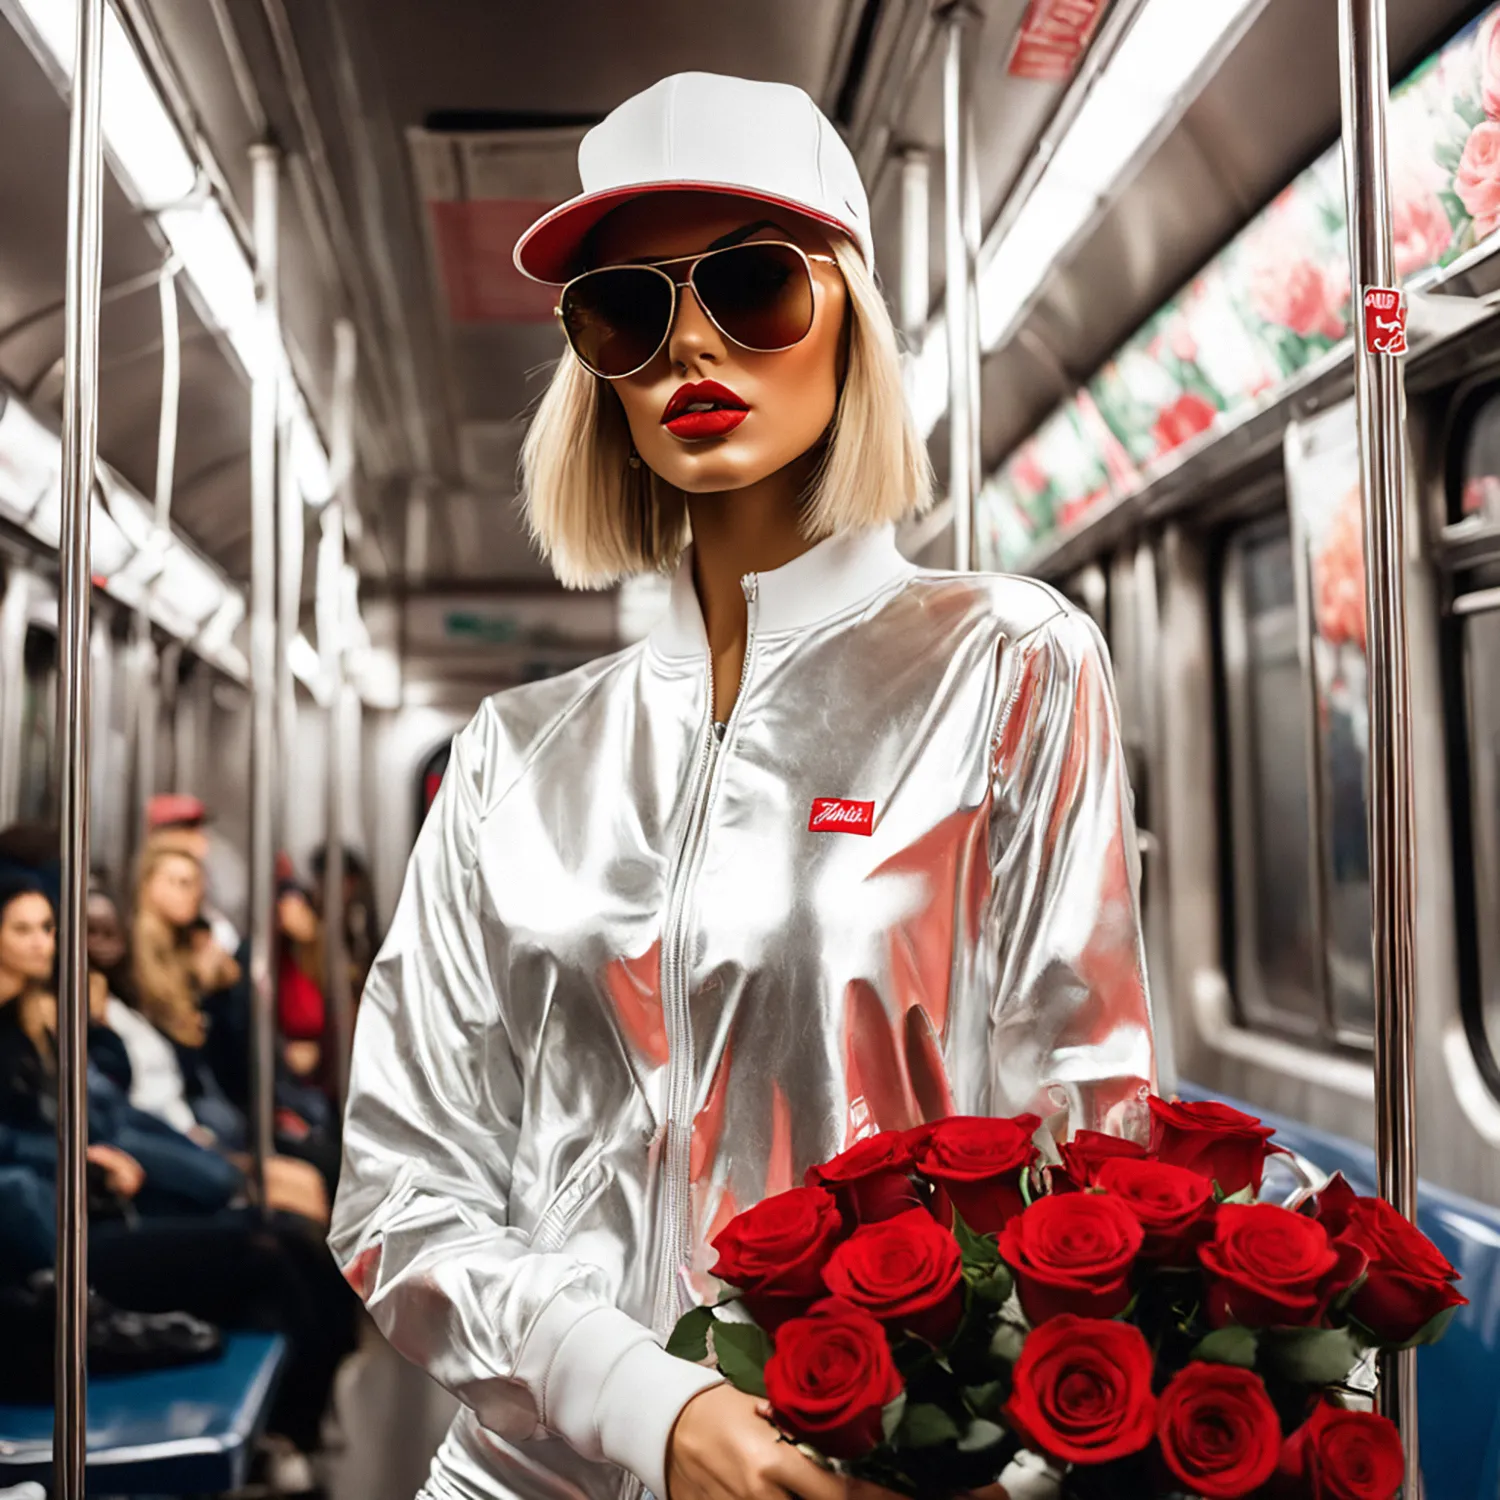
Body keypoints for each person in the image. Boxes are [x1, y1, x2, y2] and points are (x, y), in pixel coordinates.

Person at [331, 73, 1154, 1500]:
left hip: (870, 1472)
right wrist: (642, 1400)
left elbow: (1092, 1139)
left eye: (754, 283)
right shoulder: (513, 754)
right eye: (625, 311)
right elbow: (401, 1188)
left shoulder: (1010, 664)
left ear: (849, 315)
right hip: (527, 1476)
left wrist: (987, 1460)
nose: (689, 343)